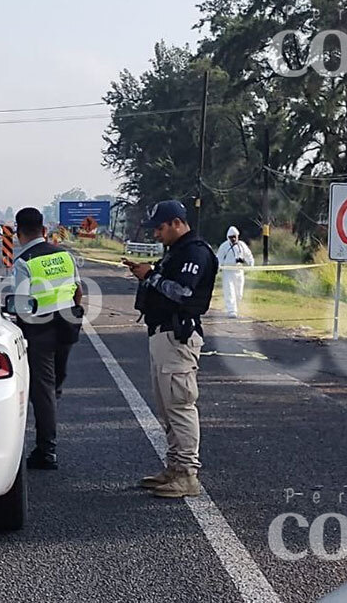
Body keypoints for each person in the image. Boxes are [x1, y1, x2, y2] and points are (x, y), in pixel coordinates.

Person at [121, 200, 217, 498]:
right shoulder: (176, 251)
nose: (156, 235)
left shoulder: (194, 252)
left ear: (177, 222)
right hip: (163, 334)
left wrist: (150, 276)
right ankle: (174, 468)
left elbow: (183, 292)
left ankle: (187, 474)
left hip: (178, 335)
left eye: (160, 228)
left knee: (180, 405)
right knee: (167, 407)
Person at [9, 207, 83, 470]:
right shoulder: (65, 255)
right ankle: (51, 416)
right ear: (44, 230)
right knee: (54, 385)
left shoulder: (23, 262)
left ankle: (46, 451)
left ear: (18, 233)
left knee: (43, 391)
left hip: (40, 330)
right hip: (68, 325)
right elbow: (78, 291)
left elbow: (20, 305)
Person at [215, 226, 254, 318]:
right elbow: (219, 258)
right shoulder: (224, 246)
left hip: (239, 271)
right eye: (231, 237)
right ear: (228, 237)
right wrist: (217, 269)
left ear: (237, 236)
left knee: (239, 292)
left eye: (234, 236)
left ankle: (236, 308)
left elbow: (248, 255)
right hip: (228, 272)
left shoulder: (242, 245)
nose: (233, 238)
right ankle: (231, 310)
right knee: (229, 291)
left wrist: (250, 264)